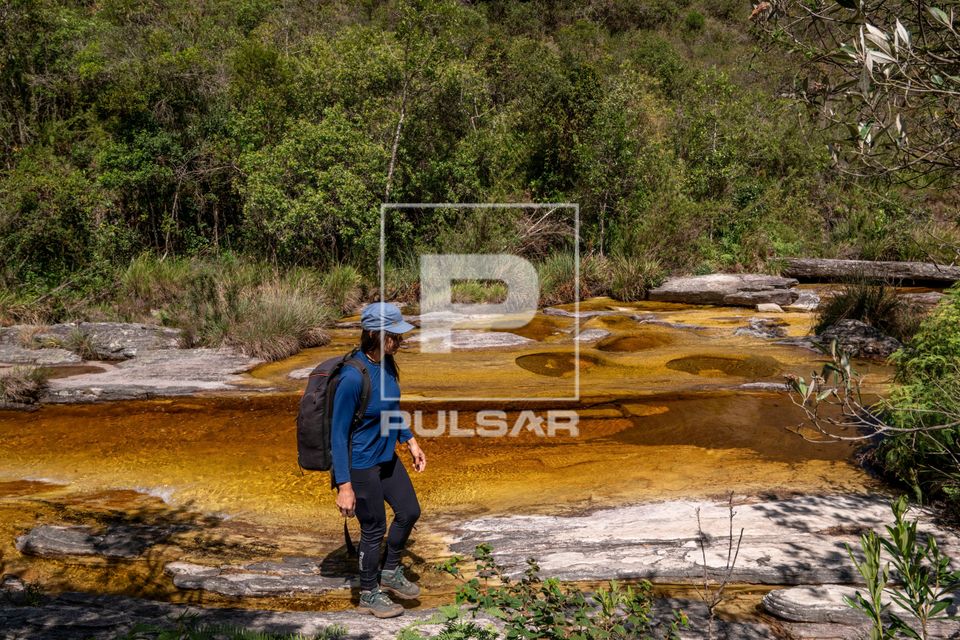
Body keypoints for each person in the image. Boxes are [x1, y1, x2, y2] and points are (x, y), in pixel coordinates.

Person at [332, 301, 426, 619]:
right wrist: (344, 485)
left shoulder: (386, 364)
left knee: (409, 511)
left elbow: (390, 409)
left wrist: (410, 441)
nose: (400, 341)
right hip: (360, 464)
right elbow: (337, 434)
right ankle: (369, 592)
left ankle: (389, 571)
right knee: (373, 529)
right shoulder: (352, 377)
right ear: (375, 334)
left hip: (385, 456)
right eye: (395, 335)